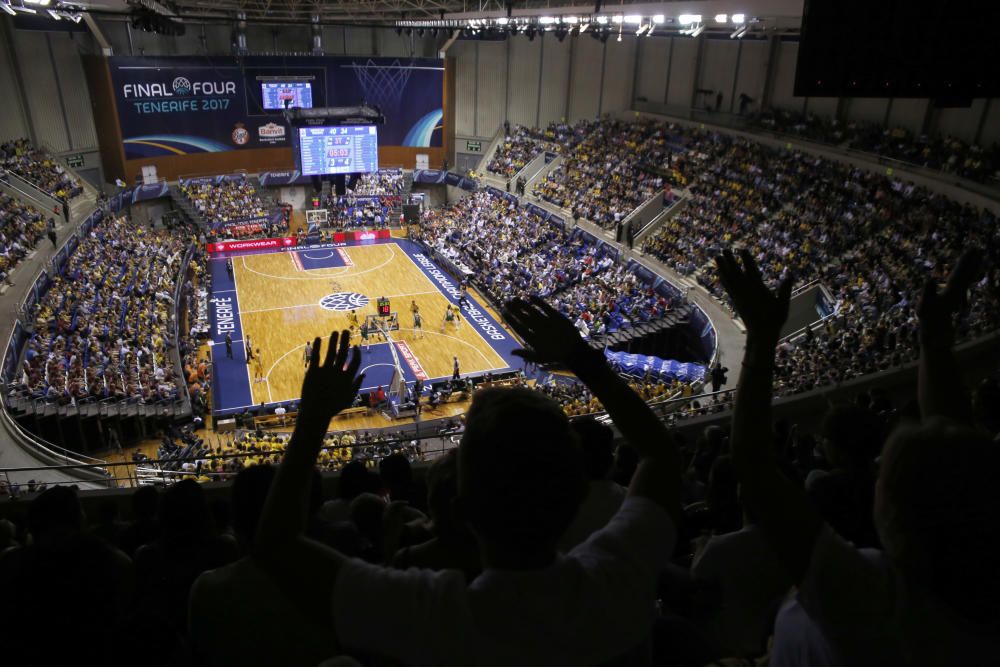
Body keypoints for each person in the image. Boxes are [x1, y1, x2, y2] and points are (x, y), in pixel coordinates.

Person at [252, 298, 683, 666]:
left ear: (462, 509)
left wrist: (312, 420)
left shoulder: (431, 617)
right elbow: (662, 455)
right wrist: (584, 361)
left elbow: (274, 545)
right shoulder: (619, 580)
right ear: (576, 493)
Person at [713, 248, 1000, 666]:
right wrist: (934, 341)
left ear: (898, 519)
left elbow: (753, 465)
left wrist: (760, 341)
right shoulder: (970, 600)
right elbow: (955, 465)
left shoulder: (869, 603)